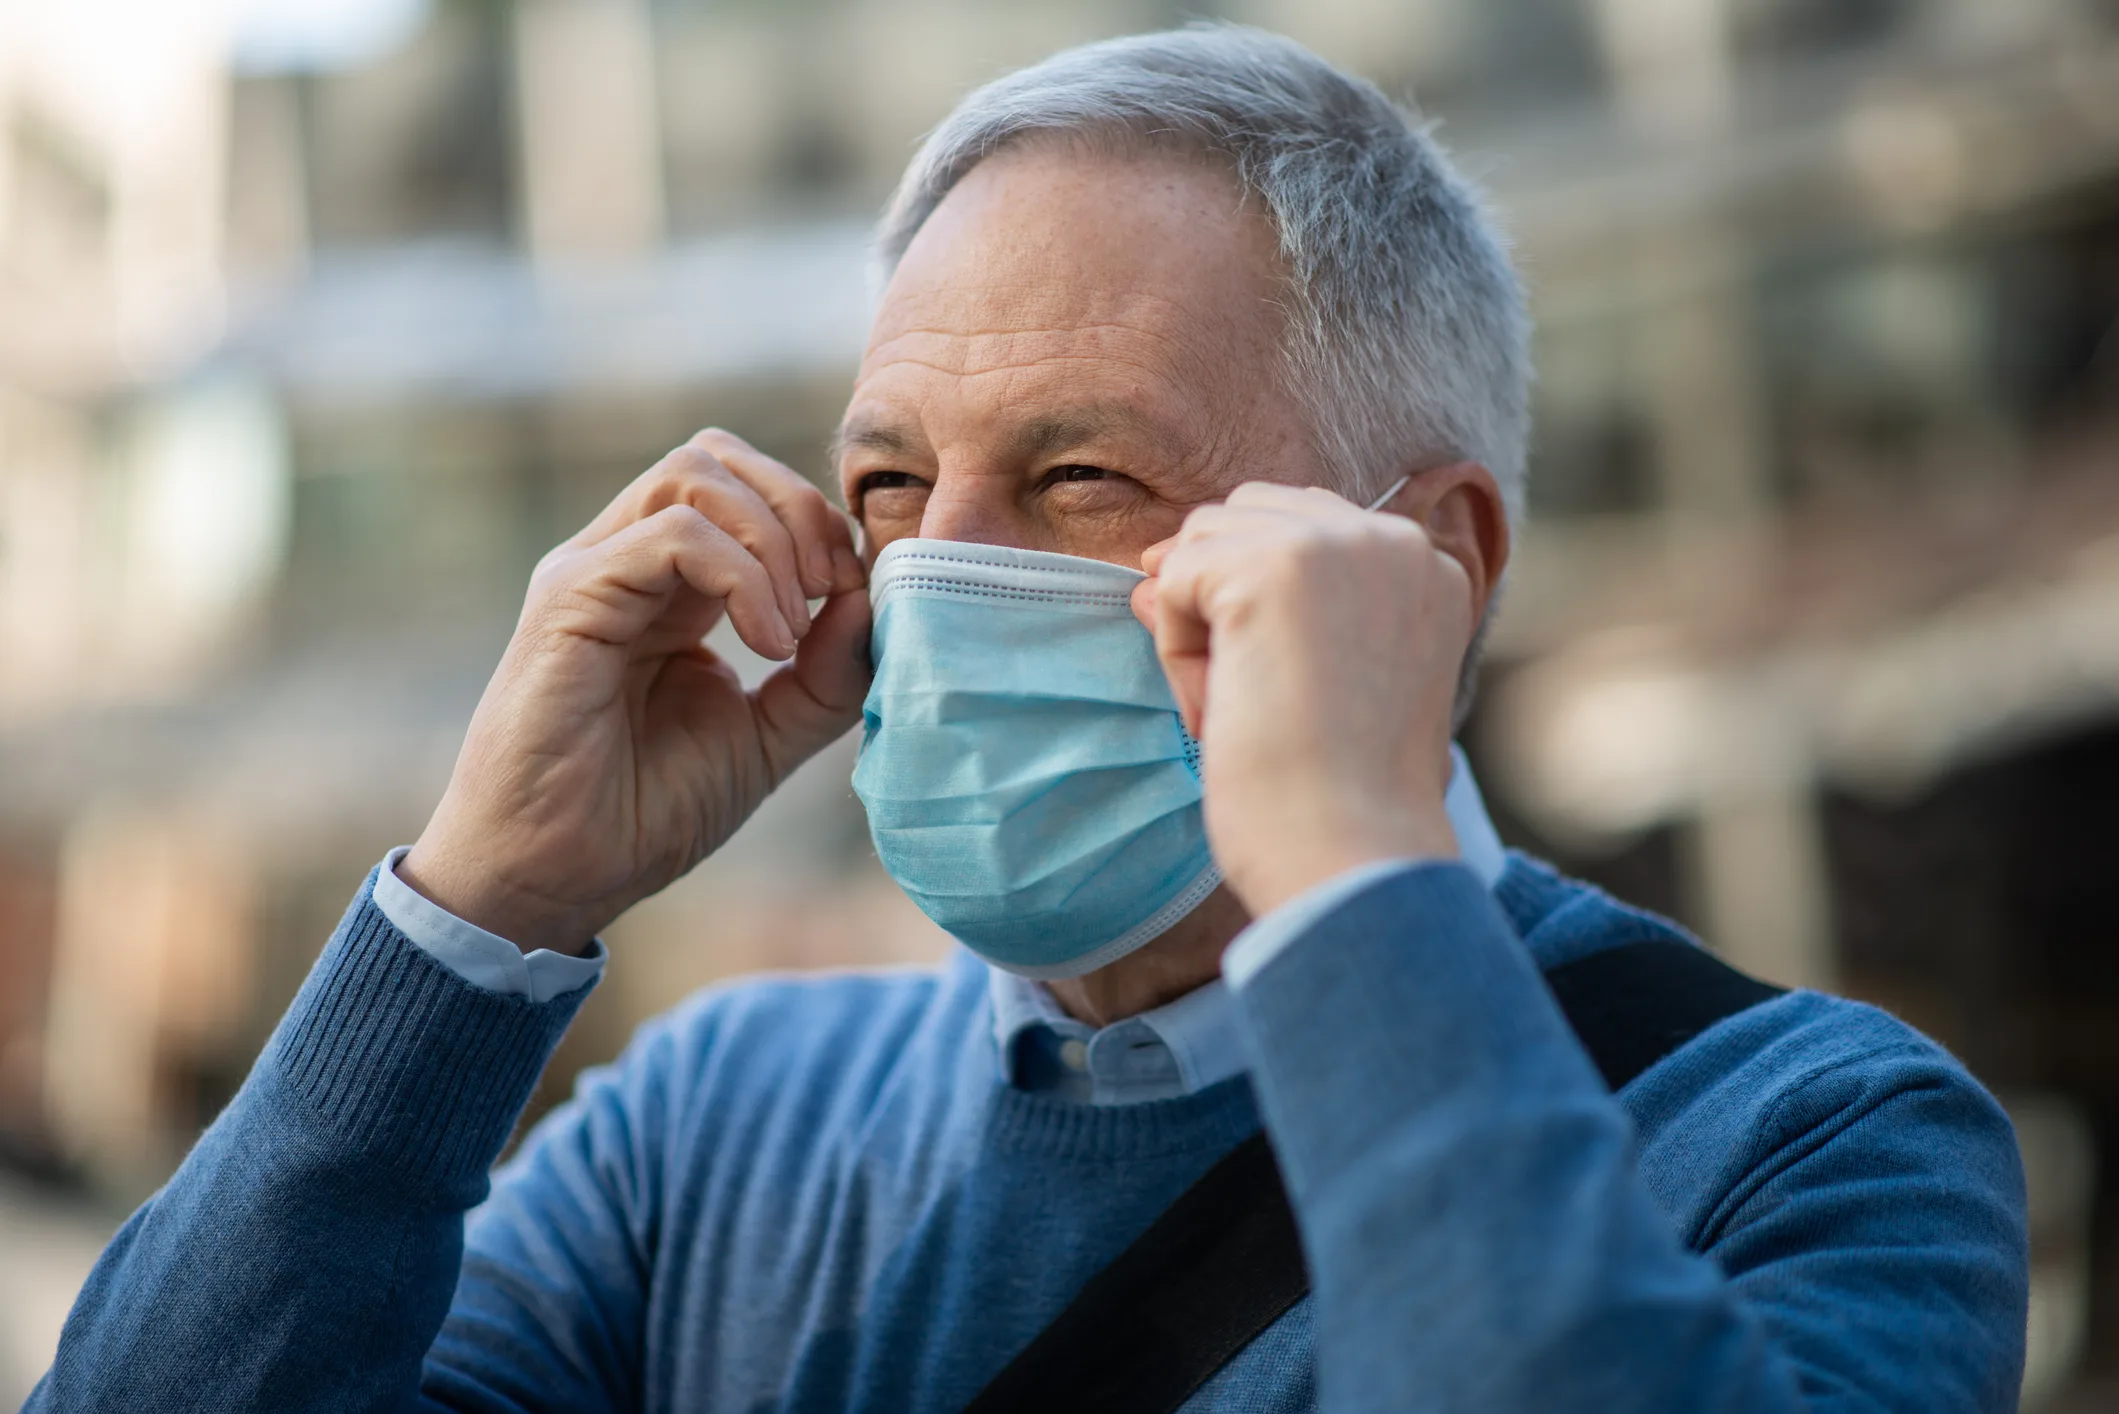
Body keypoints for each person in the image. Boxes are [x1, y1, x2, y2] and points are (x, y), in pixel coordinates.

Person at [32, 25, 2025, 1414]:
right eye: (892, 486)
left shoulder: (1822, 1137)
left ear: (1431, 560)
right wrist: (475, 912)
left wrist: (1350, 871)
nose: (940, 575)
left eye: (1084, 480)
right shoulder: (711, 1121)